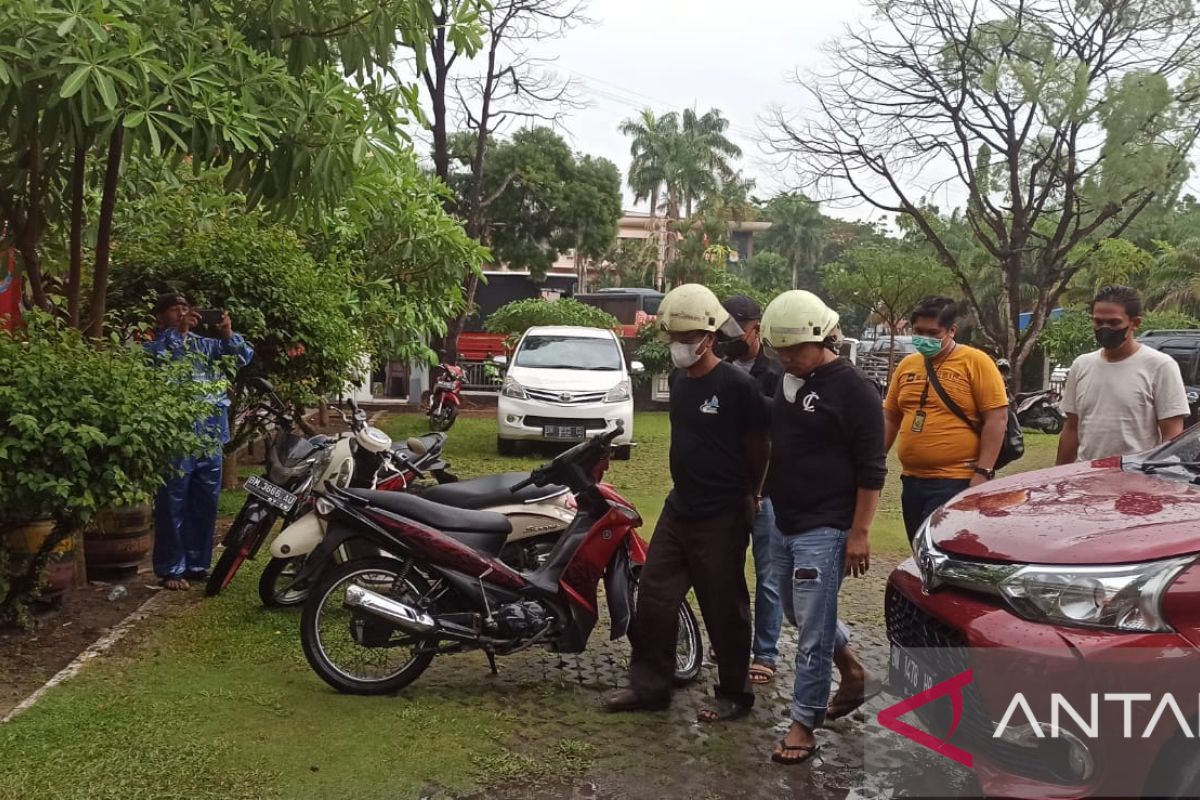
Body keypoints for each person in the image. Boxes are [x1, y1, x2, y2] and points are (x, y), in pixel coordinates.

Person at [606, 283, 768, 722]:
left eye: (685, 340)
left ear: (709, 339)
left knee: (724, 606)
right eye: (673, 339)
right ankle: (650, 686)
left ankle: (734, 693)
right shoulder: (679, 381)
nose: (677, 347)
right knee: (655, 598)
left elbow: (759, 448)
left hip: (723, 514)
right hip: (680, 508)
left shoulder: (737, 386)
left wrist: (751, 497)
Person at [760, 290, 886, 765]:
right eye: (780, 350)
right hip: (784, 520)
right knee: (796, 612)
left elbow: (872, 466)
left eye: (794, 349)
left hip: (827, 527)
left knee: (811, 631)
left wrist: (859, 532)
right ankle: (853, 671)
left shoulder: (854, 388)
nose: (786, 358)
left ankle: (804, 724)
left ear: (823, 338)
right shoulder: (790, 379)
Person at [146, 293, 254, 590]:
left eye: (185, 308)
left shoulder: (206, 345)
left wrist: (228, 332)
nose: (182, 312)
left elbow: (243, 357)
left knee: (205, 502)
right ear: (160, 316)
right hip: (176, 436)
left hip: (210, 435)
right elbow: (153, 360)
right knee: (172, 502)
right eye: (173, 309)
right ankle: (171, 568)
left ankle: (197, 564)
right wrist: (178, 334)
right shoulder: (156, 344)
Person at [883, 297, 1009, 542]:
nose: (924, 339)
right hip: (912, 480)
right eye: (918, 332)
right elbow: (890, 417)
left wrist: (982, 473)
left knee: (942, 547)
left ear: (951, 330)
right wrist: (874, 461)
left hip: (956, 480)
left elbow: (997, 418)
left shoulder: (976, 362)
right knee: (919, 547)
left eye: (933, 333)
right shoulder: (907, 365)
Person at [717, 294, 784, 686]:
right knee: (724, 572)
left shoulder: (775, 372)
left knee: (768, 576)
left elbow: (777, 427)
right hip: (727, 487)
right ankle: (732, 644)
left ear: (756, 328)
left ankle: (766, 652)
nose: (730, 334)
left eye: (737, 326)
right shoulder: (718, 368)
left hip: (767, 490)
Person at [1056, 285, 1189, 465]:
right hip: (1085, 478)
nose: (1104, 329)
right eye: (1098, 322)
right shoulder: (1081, 365)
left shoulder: (1160, 366)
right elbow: (1071, 429)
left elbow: (1171, 436)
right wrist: (1059, 477)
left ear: (1135, 323)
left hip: (1135, 480)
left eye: (1114, 323)